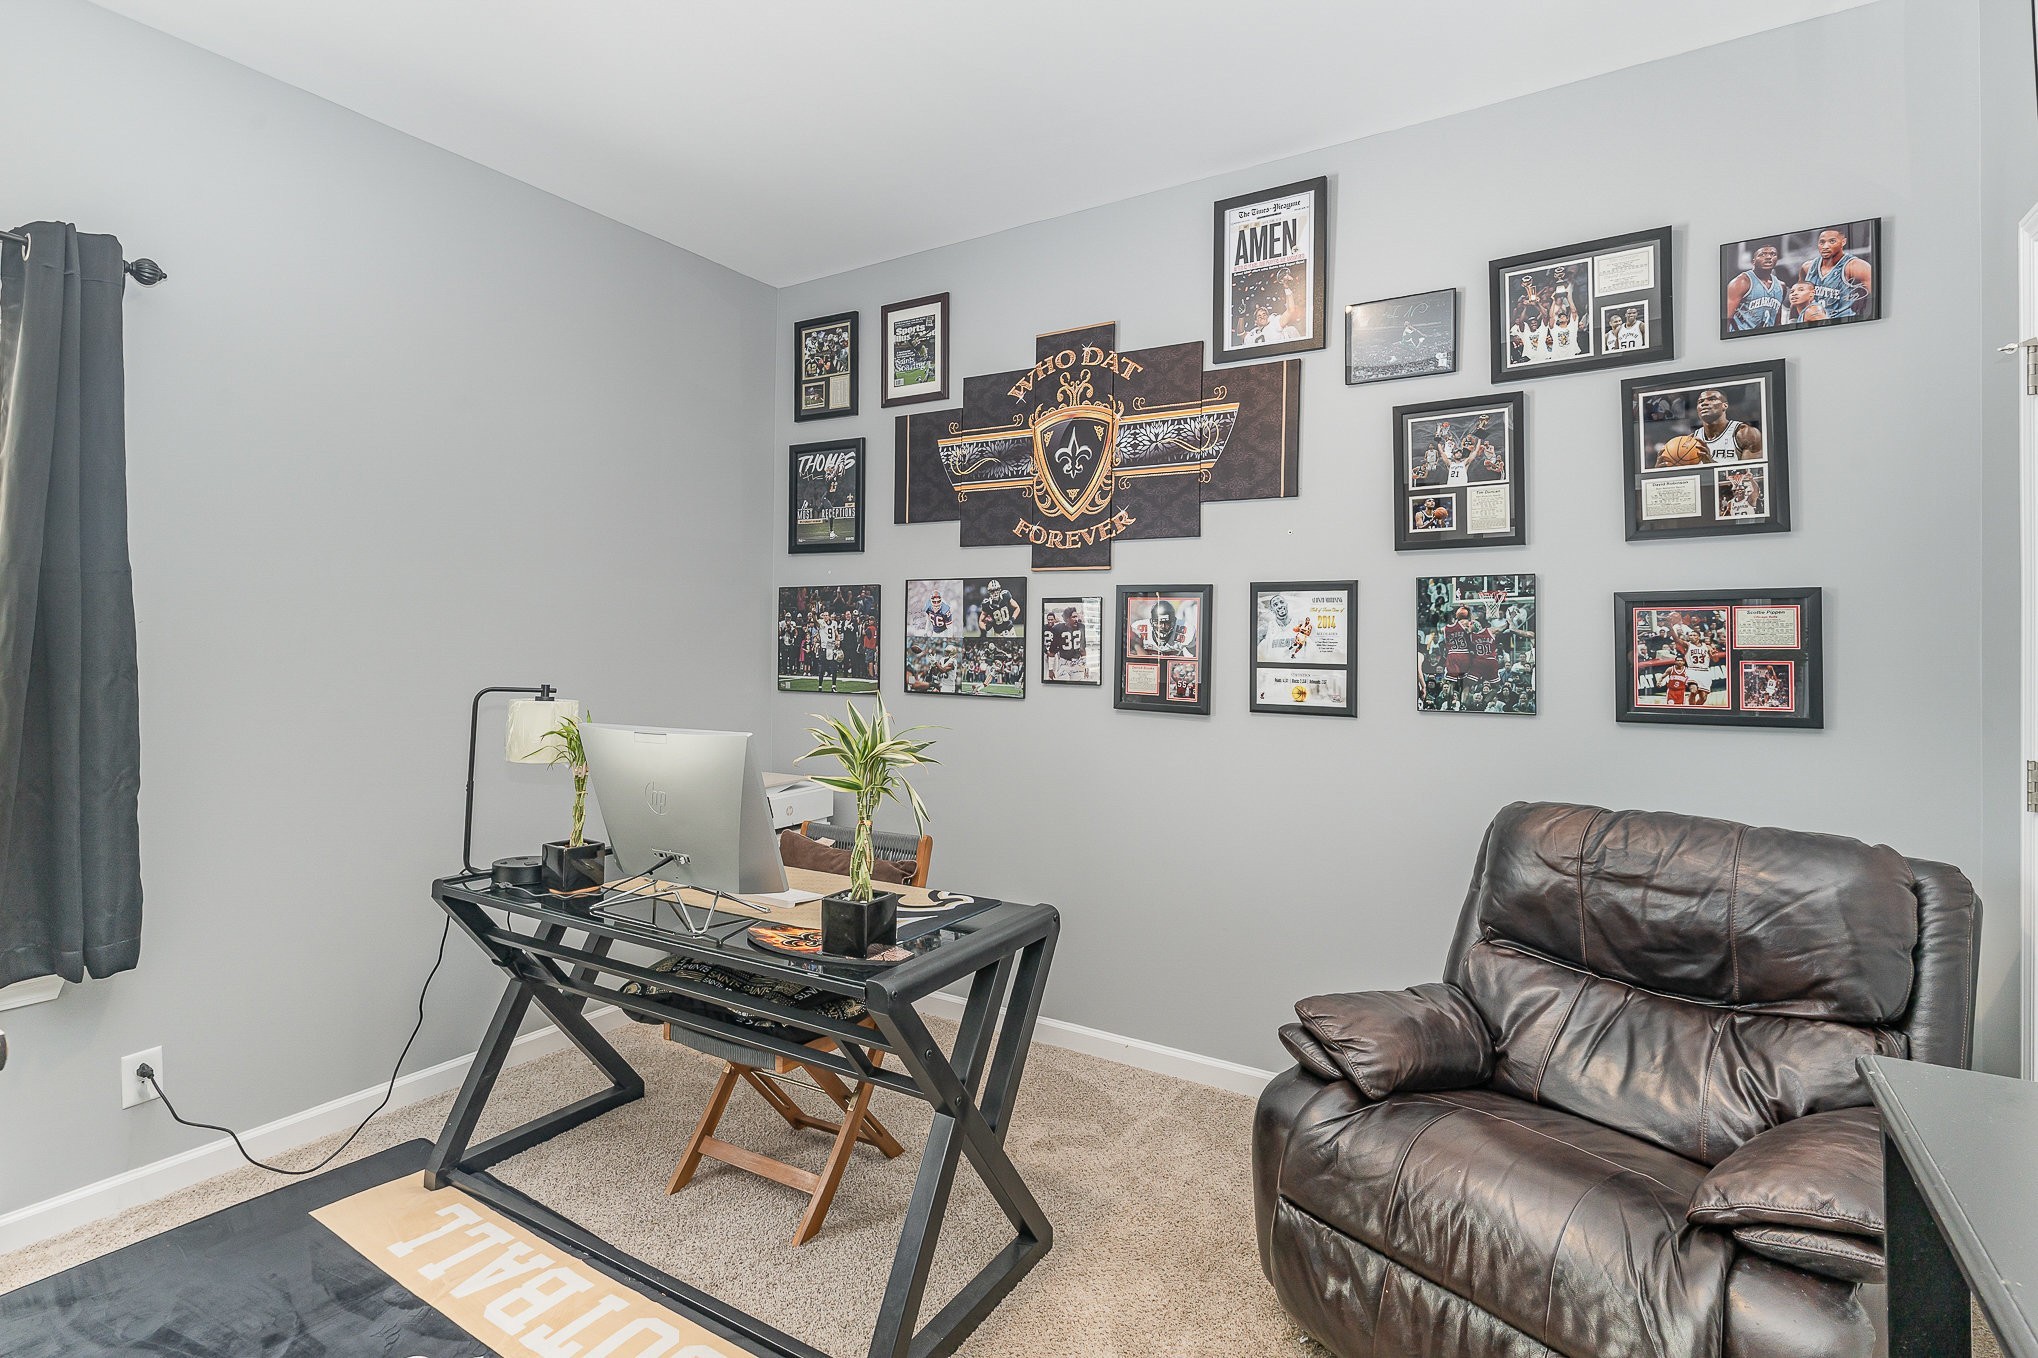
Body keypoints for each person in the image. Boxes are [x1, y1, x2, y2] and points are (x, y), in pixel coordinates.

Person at [1795, 227, 1873, 321]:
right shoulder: (1807, 267)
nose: (1825, 246)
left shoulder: (1856, 267)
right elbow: (1796, 300)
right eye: (1822, 242)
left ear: (1843, 242)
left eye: (1832, 241)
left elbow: (1878, 299)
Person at [1727, 241, 1790, 331]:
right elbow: (1726, 318)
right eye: (1762, 254)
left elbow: (1777, 322)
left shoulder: (1781, 286)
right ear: (1753, 261)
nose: (1768, 257)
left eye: (1773, 254)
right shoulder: (1741, 282)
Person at [1694, 388, 1763, 463]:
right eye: (1700, 401)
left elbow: (1752, 469)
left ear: (1725, 405)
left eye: (1712, 399)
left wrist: (1711, 464)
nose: (1704, 403)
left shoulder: (1746, 434)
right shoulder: (1692, 439)